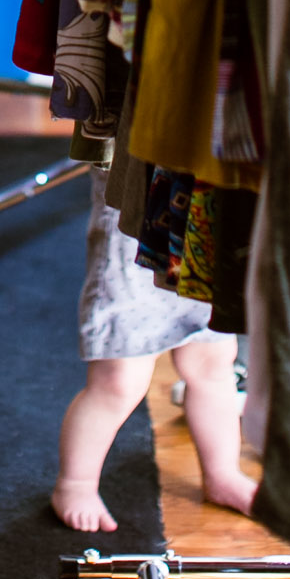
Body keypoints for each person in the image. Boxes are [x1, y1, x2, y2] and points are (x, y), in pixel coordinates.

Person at [52, 170, 256, 533]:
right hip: (138, 229)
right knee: (119, 381)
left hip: (205, 225)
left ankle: (223, 473)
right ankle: (76, 483)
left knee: (213, 366)